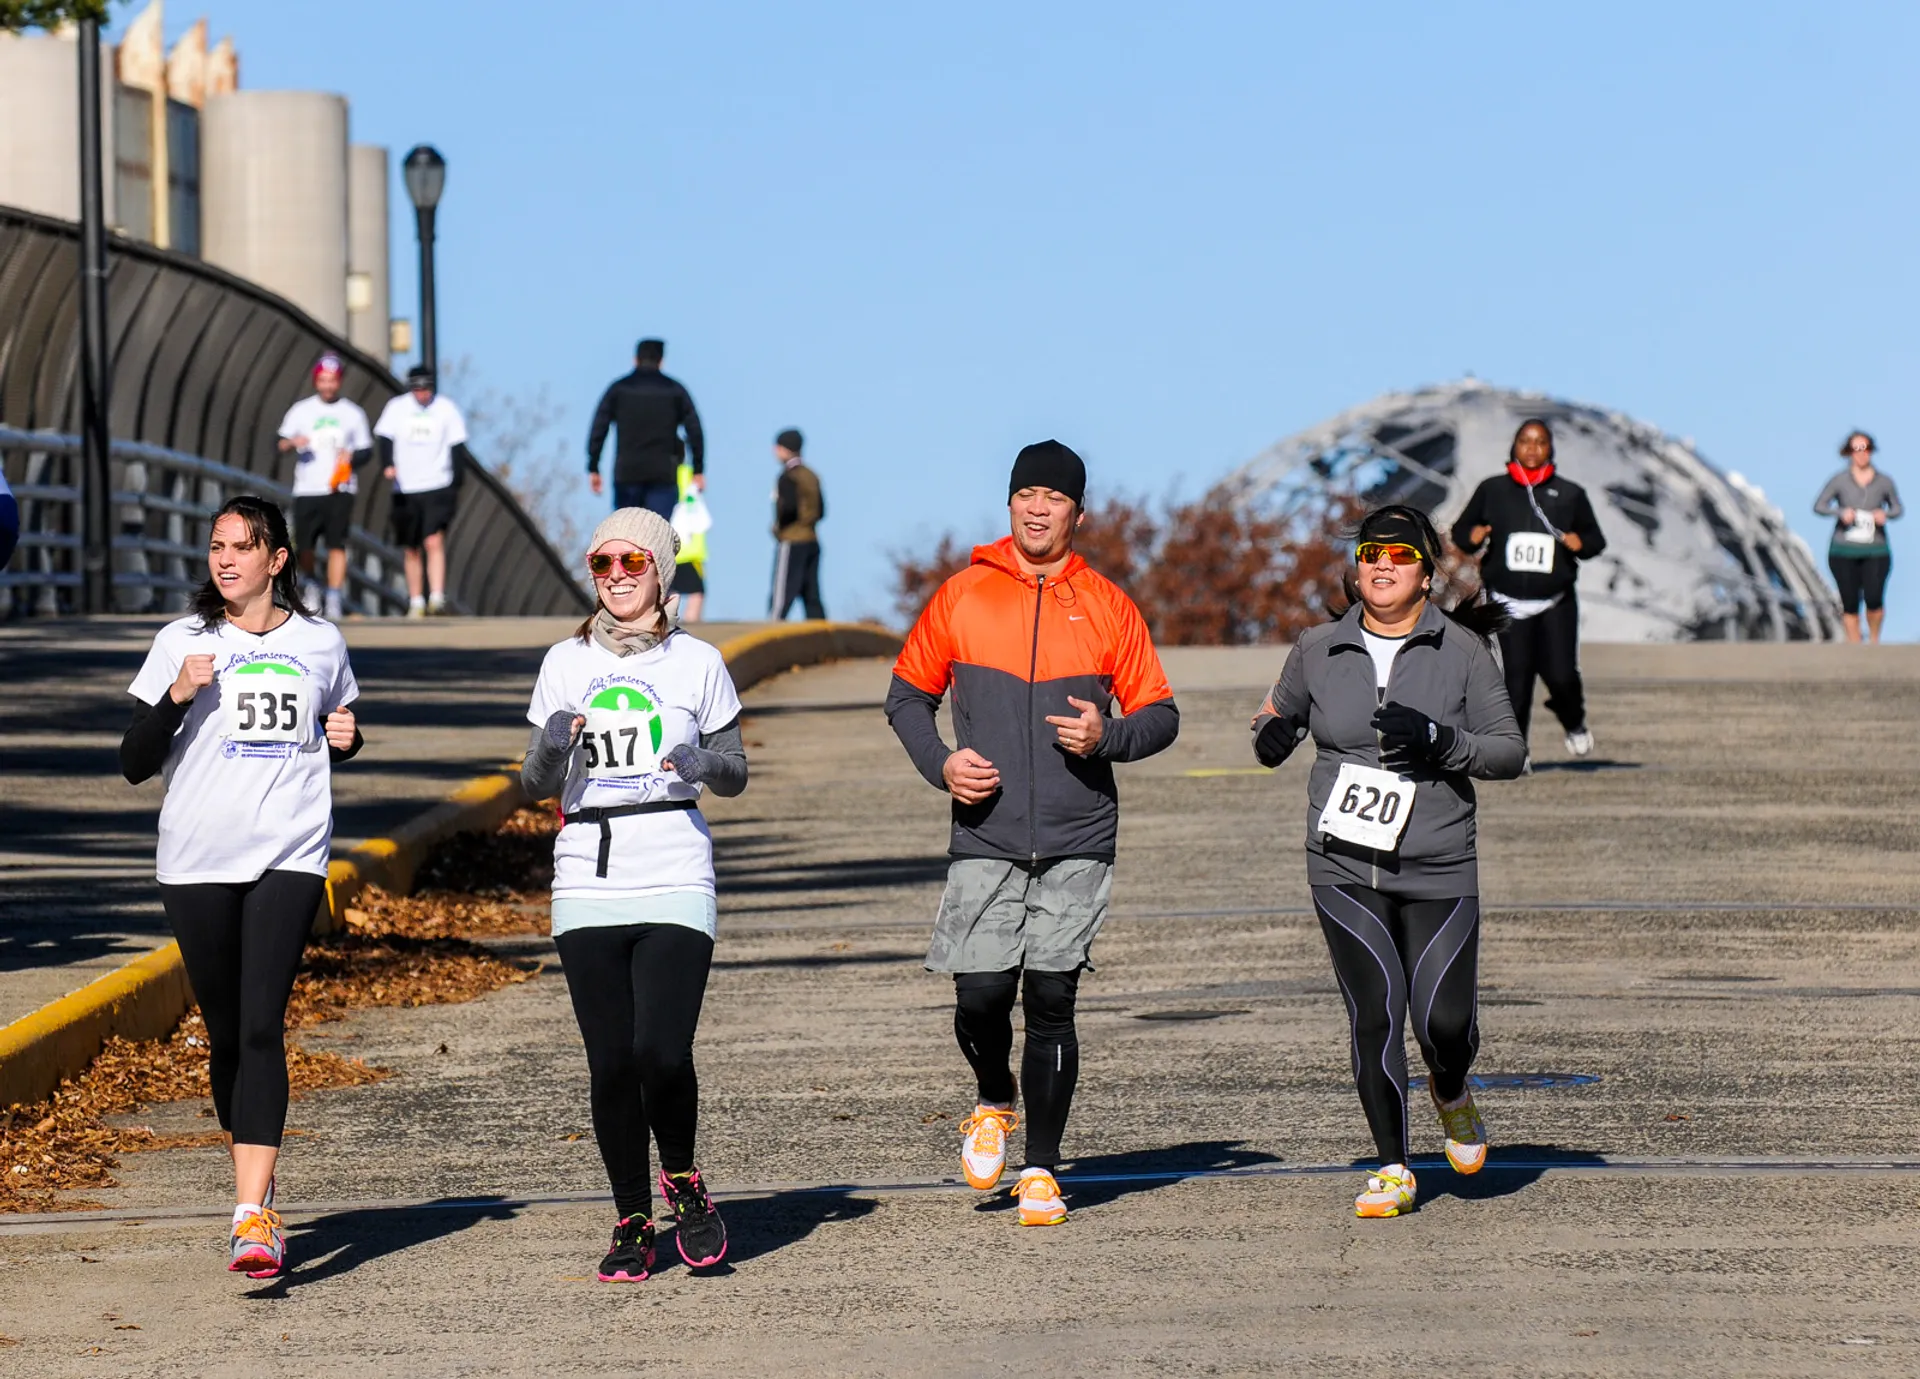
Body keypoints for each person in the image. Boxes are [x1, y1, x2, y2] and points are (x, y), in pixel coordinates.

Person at [885, 441, 1179, 1228]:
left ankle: (1043, 1169)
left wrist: (1106, 736)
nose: (1038, 507)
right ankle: (992, 1095)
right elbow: (906, 698)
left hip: (1080, 833)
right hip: (986, 832)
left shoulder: (1109, 604)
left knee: (1052, 998)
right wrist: (942, 765)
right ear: (1010, 503)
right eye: (1027, 493)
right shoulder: (962, 595)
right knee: (981, 998)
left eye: (1054, 497)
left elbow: (1160, 713)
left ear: (1077, 514)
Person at [1250, 504, 1525, 1219]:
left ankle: (1451, 1085)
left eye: (1400, 556)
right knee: (1374, 1011)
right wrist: (1273, 738)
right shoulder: (1316, 647)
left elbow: (1508, 750)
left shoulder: (1462, 651)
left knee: (1443, 1021)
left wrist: (1441, 740)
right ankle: (1394, 1164)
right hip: (1342, 862)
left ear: (1427, 575)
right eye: (1371, 552)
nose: (1381, 565)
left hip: (1437, 860)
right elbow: (1274, 717)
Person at [119, 494, 363, 1278]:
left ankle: (251, 1213)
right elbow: (131, 758)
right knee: (226, 1031)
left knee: (262, 1023)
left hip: (289, 852)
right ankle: (251, 1179)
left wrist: (349, 737)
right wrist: (178, 695)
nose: (225, 560)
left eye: (241, 547)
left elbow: (339, 721)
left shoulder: (320, 642)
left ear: (277, 559)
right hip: (195, 858)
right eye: (217, 546)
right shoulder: (182, 641)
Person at [520, 506, 748, 1283]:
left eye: (631, 563)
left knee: (662, 1048)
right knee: (611, 1061)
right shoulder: (564, 661)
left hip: (676, 865)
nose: (616, 577)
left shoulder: (699, 663)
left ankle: (682, 1178)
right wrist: (554, 742)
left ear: (659, 570)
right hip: (588, 870)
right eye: (602, 564)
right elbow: (534, 781)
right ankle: (629, 1218)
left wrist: (700, 762)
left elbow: (737, 769)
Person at [1450, 418, 1607, 760]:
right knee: (1515, 682)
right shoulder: (1492, 490)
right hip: (1508, 604)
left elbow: (1596, 540)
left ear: (1551, 449)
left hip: (1555, 603)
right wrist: (1472, 536)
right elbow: (1461, 531)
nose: (1532, 449)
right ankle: (1515, 752)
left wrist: (1582, 543)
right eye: (1525, 441)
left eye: (1540, 442)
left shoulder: (1570, 494)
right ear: (1514, 446)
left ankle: (1574, 722)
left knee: (1561, 675)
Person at [277, 353, 373, 621]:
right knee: (304, 545)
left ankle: (333, 595)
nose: (328, 385)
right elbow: (281, 443)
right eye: (323, 380)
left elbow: (367, 451)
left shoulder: (352, 414)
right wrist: (294, 442)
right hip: (307, 488)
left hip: (339, 488)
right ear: (316, 380)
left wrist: (351, 457)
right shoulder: (301, 410)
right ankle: (311, 584)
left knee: (336, 544)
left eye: (332, 380)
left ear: (339, 382)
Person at [373, 365, 473, 617]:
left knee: (433, 540)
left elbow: (457, 448)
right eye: (417, 389)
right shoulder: (396, 408)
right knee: (411, 547)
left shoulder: (446, 409)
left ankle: (437, 597)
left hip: (437, 484)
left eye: (426, 388)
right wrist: (387, 465)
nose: (422, 394)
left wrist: (455, 484)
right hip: (405, 487)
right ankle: (416, 600)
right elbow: (384, 438)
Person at [586, 338, 705, 520]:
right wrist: (698, 469)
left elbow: (599, 427)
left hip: (627, 474)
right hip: (663, 474)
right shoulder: (675, 391)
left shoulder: (619, 390)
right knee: (657, 534)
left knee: (629, 532)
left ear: (635, 360)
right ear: (661, 361)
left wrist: (594, 465)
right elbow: (694, 430)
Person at [1814, 430, 1902, 644]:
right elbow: (1819, 506)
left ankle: (1873, 641)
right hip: (1843, 549)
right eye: (1856, 449)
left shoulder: (1884, 482)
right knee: (1850, 600)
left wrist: (1885, 515)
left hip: (1875, 549)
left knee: (1873, 598)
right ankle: (1855, 646)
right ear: (1849, 453)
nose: (1862, 454)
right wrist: (1841, 512)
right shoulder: (1839, 481)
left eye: (1866, 449)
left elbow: (1897, 508)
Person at [769, 428, 825, 620]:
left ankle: (773, 631)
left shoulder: (788, 476)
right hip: (812, 539)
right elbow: (822, 510)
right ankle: (821, 635)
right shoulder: (812, 475)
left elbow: (788, 508)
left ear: (785, 449)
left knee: (781, 595)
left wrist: (777, 527)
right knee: (812, 594)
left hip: (792, 539)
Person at [671, 460, 708, 623]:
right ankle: (690, 631)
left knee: (671, 592)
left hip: (668, 548)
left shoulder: (657, 477)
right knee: (696, 592)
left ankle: (666, 629)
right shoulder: (688, 475)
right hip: (688, 549)